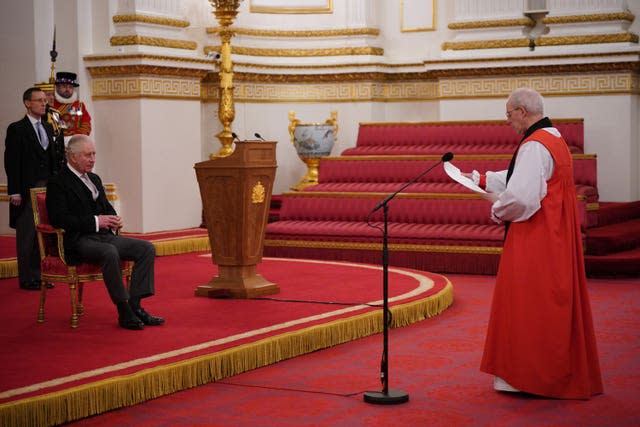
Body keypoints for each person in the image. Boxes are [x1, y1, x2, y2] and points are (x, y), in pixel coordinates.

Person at [469, 87, 603, 399]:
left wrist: (495, 207)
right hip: (555, 236)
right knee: (549, 302)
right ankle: (550, 371)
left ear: (522, 111)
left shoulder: (533, 145)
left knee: (528, 303)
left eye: (508, 114)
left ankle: (529, 376)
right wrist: (483, 178)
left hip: (536, 236)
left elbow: (522, 196)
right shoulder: (554, 139)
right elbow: (526, 177)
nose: (507, 121)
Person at [46, 134, 164, 330]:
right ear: (73, 157)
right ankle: (123, 310)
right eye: (87, 155)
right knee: (110, 252)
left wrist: (113, 218)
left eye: (94, 154)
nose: (93, 159)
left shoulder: (94, 178)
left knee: (146, 248)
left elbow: (106, 207)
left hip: (103, 235)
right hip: (78, 239)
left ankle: (135, 305)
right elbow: (59, 219)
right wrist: (95, 221)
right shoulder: (58, 183)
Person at [4, 87, 61, 290]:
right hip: (27, 189)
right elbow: (12, 162)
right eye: (39, 100)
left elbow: (54, 159)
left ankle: (41, 275)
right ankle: (27, 278)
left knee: (44, 233)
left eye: (45, 100)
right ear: (27, 103)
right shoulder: (17, 129)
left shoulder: (47, 127)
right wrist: (14, 192)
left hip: (48, 188)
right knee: (27, 234)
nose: (43, 103)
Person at [34, 81, 66, 170]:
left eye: (53, 95)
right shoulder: (35, 115)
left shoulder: (56, 114)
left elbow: (61, 136)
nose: (52, 98)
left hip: (57, 161)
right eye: (48, 95)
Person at [52, 72, 92, 142]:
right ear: (57, 87)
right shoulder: (51, 105)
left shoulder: (79, 106)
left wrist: (76, 138)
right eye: (64, 86)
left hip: (76, 142)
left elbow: (86, 123)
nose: (67, 89)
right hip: (57, 143)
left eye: (70, 87)